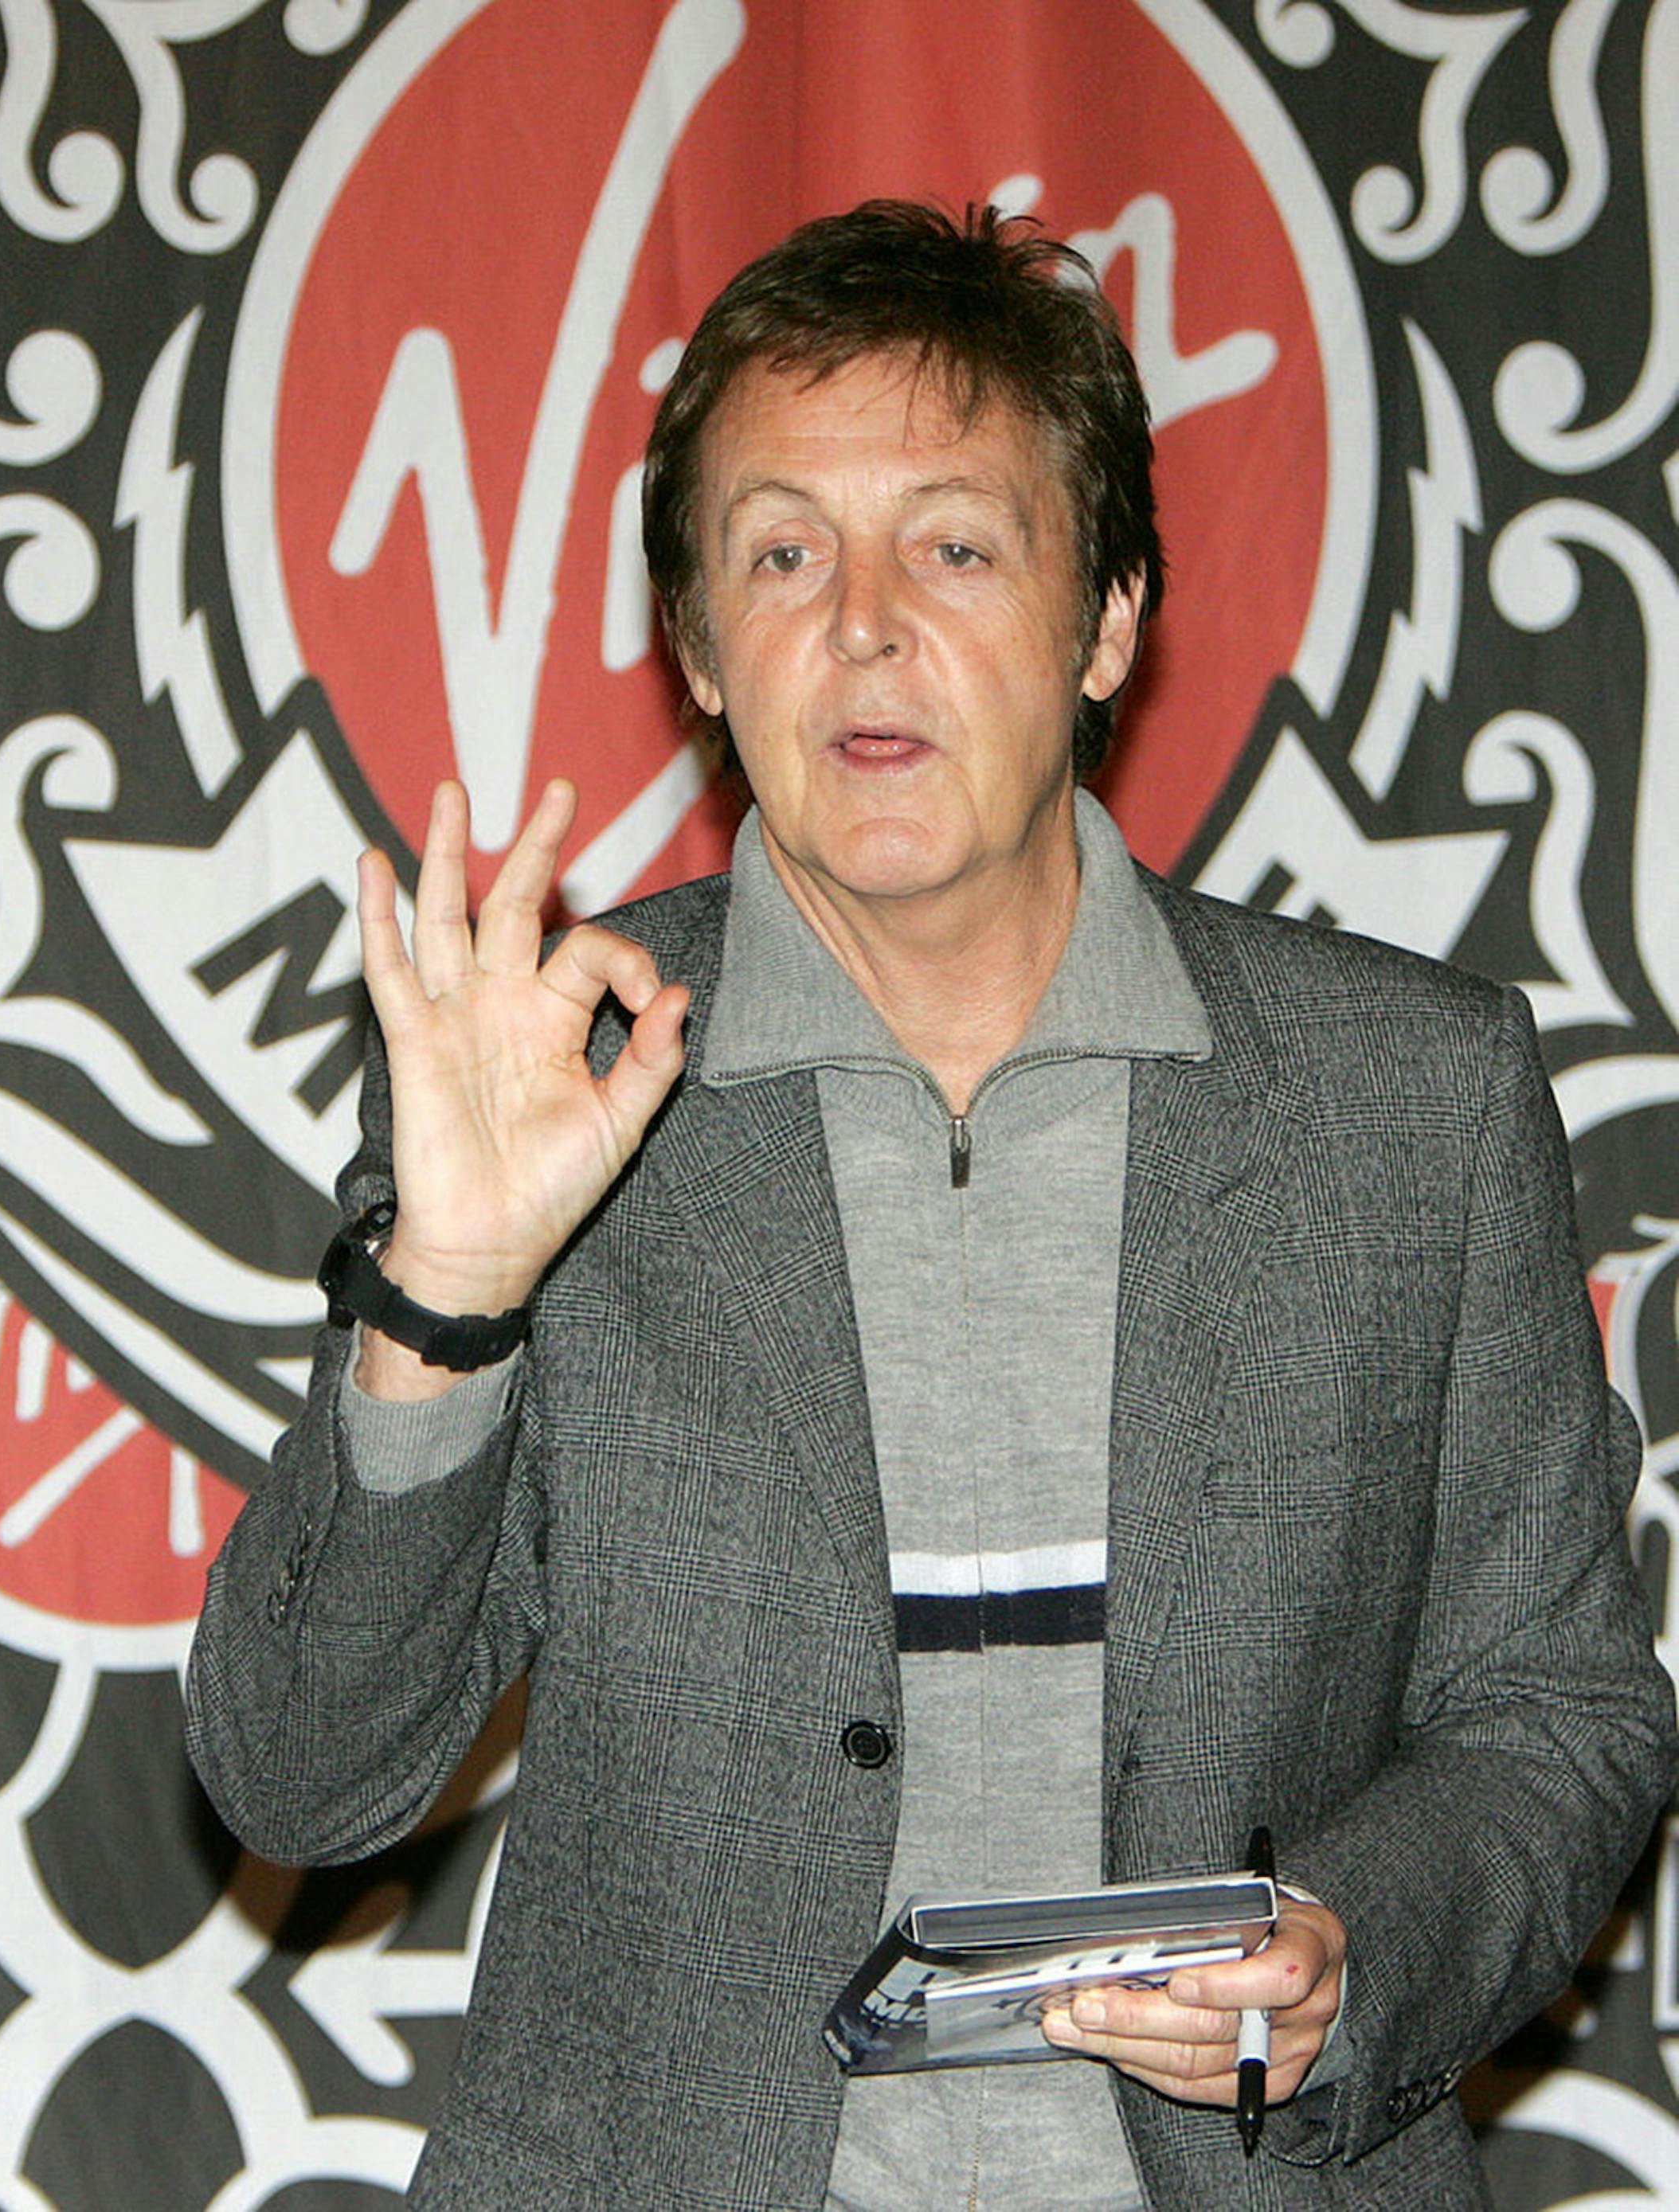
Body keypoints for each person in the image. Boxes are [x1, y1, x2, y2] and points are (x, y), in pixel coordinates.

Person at [186, 201, 1677, 2210]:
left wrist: (1352, 1949)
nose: (865, 625)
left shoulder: (1408, 1098)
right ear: (703, 650)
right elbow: (298, 1775)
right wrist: (448, 1293)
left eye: (957, 546)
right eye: (783, 552)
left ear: (1110, 619)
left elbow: (1558, 1713)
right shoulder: (549, 1070)